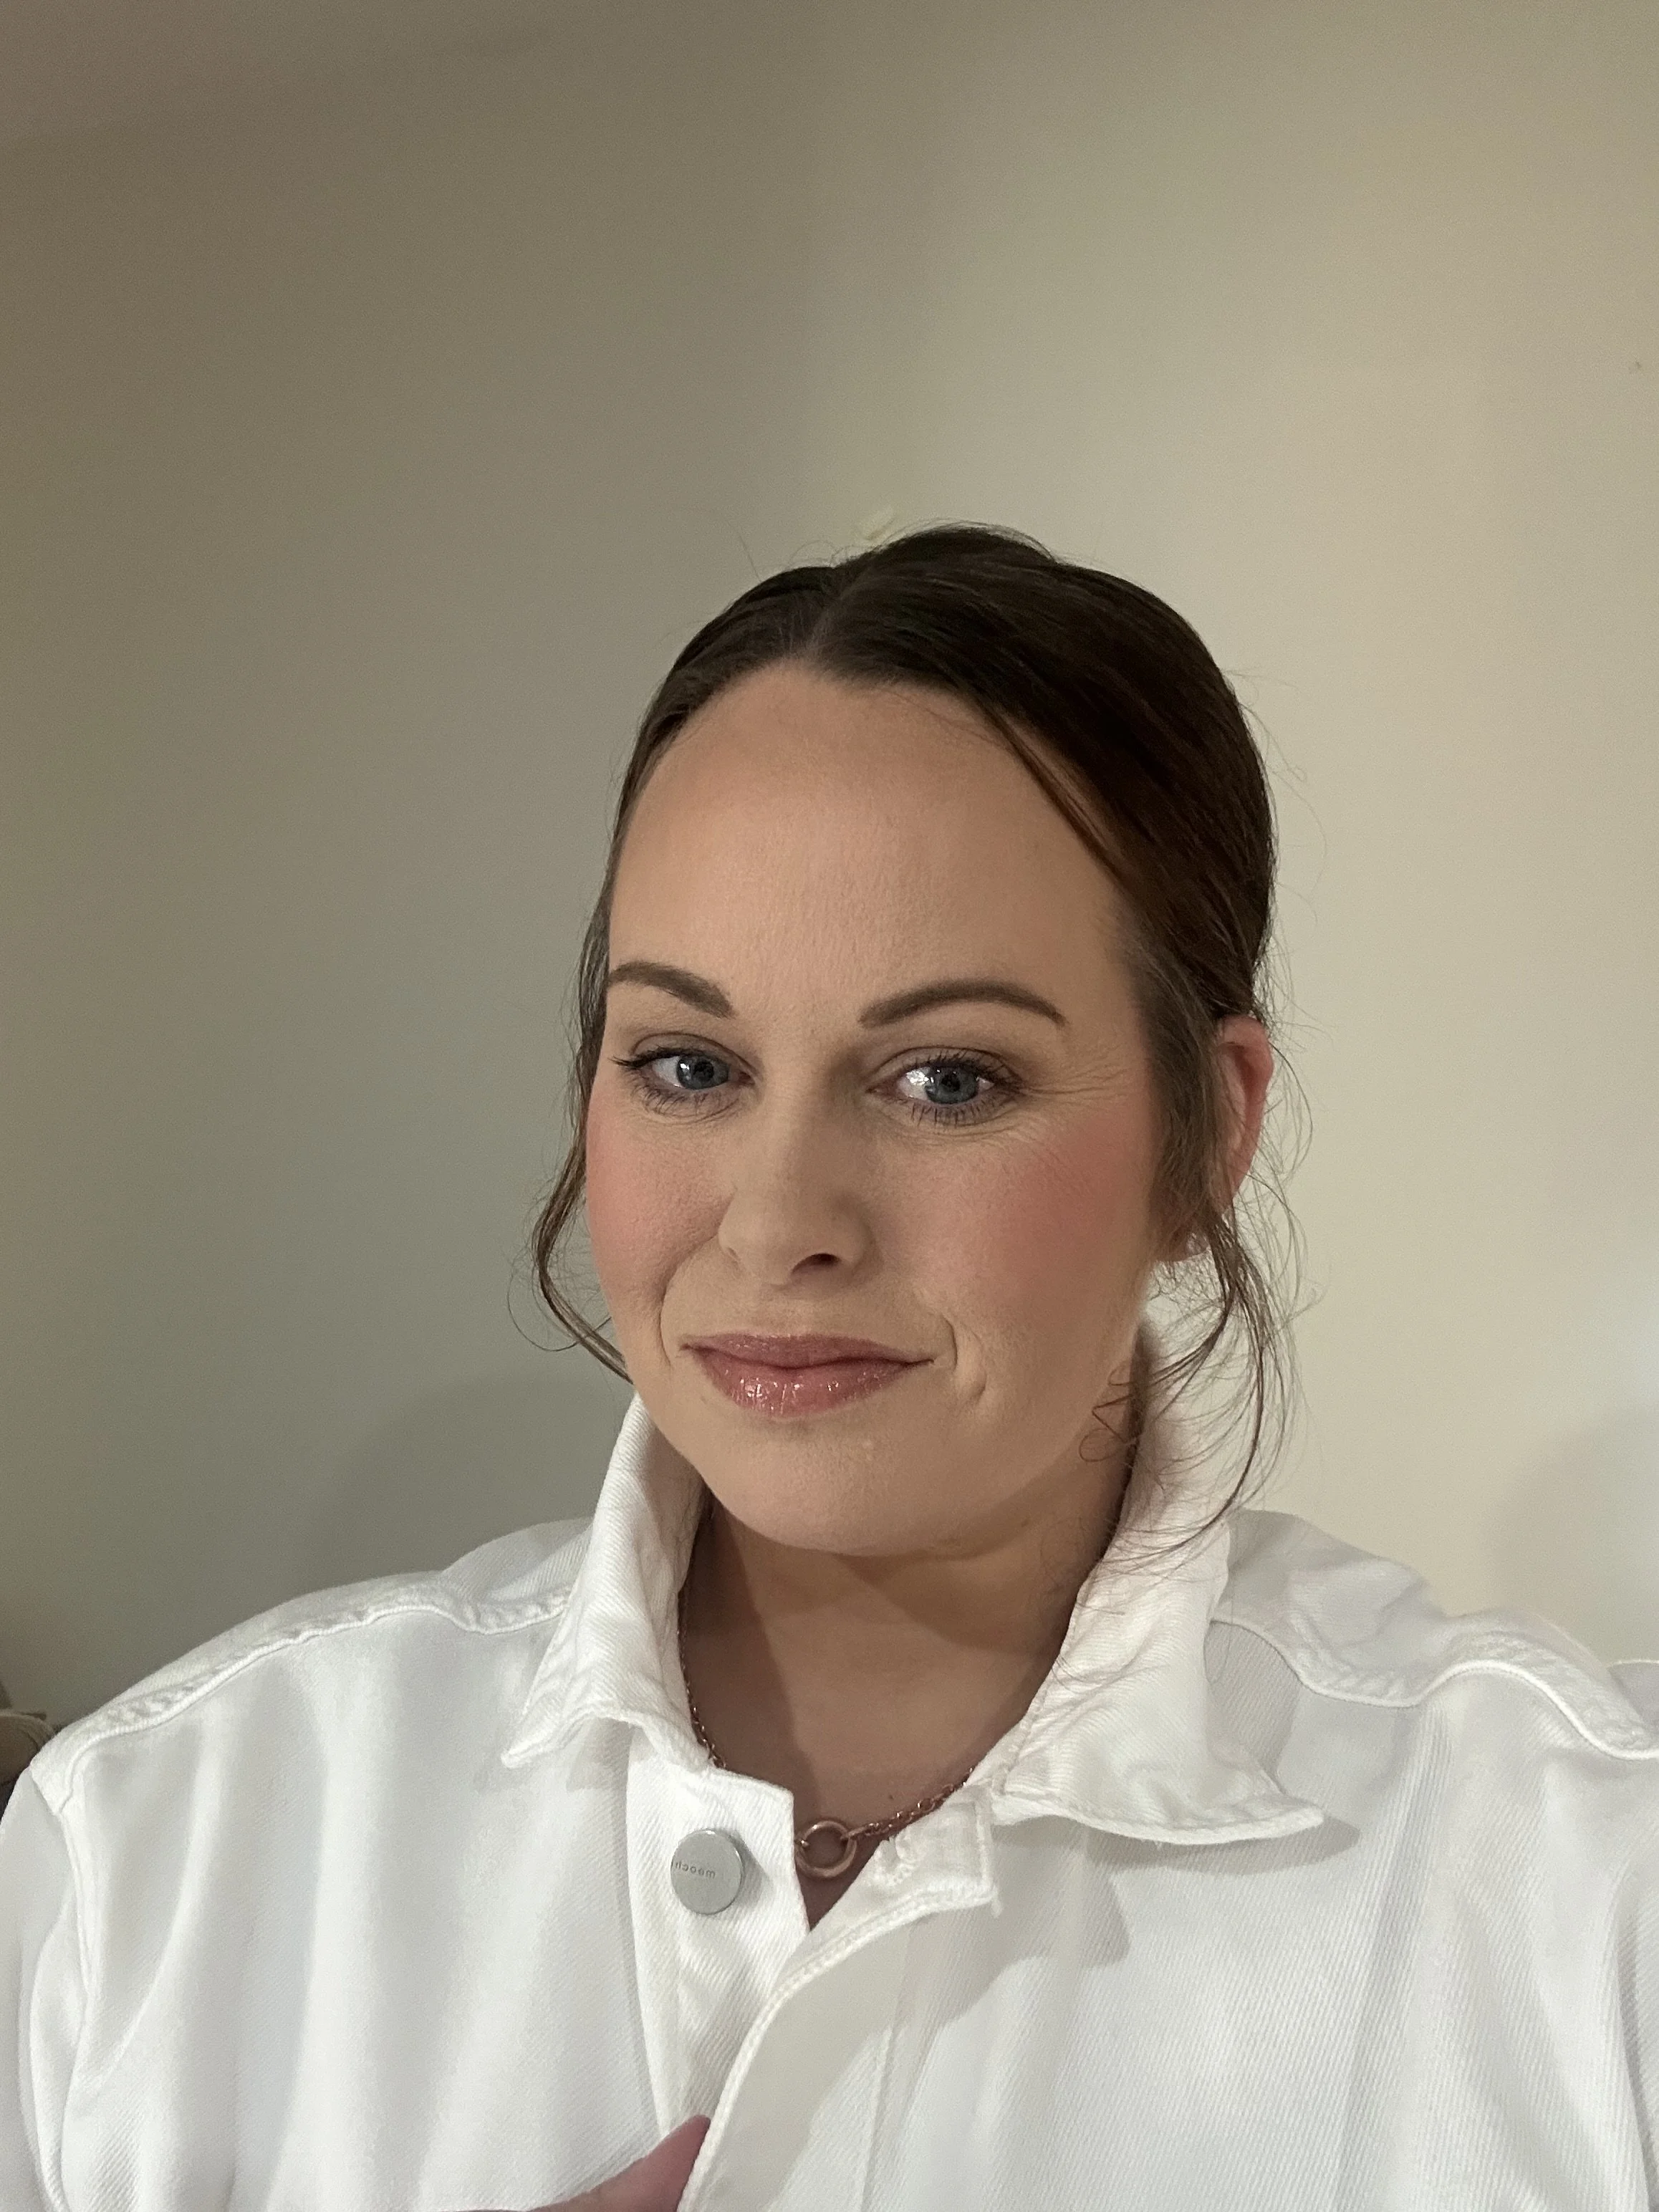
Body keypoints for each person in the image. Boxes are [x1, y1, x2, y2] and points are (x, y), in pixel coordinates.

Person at [3, 524, 1656, 2211]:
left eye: (947, 1078)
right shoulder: (159, 1845)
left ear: (1206, 1130)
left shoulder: (1579, 1887)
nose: (782, 1218)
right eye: (688, 1061)